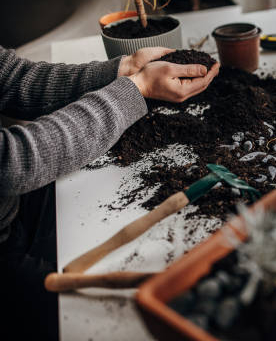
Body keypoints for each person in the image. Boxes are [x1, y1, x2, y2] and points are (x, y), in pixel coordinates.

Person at [0, 46, 219, 340]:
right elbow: (12, 161)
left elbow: (14, 79)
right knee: (93, 322)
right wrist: (136, 89)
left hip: (14, 203)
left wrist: (123, 69)